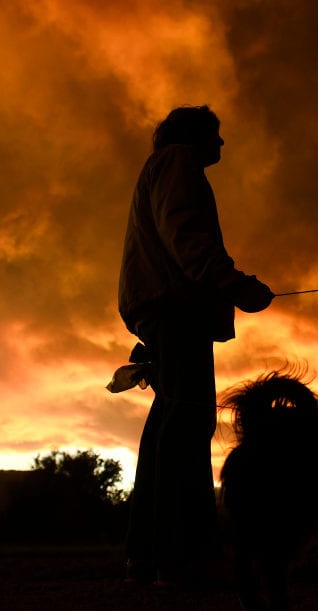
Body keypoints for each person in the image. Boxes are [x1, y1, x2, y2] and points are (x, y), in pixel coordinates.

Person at [117, 105, 274, 586]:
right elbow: (185, 234)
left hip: (164, 307)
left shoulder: (164, 167)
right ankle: (181, 558)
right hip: (175, 307)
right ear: (194, 137)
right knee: (188, 423)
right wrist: (233, 283)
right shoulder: (178, 163)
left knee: (171, 422)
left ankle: (149, 555)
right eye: (216, 135)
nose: (221, 144)